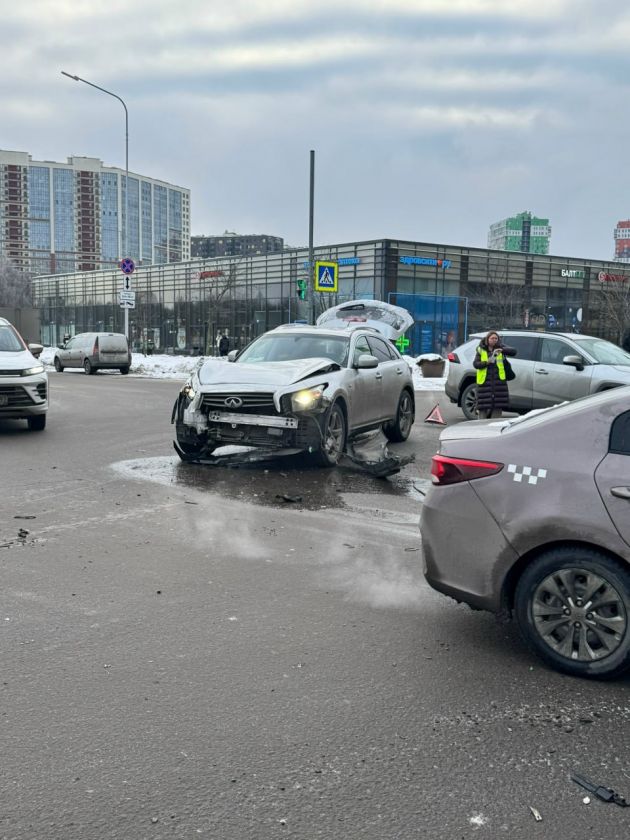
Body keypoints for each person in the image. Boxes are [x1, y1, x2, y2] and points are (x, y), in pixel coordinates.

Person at [473, 330, 516, 419]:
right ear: (487, 339)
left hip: (499, 384)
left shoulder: (500, 347)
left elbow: (514, 351)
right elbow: (476, 364)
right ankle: (481, 427)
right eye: (492, 338)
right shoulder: (481, 349)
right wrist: (487, 362)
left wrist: (503, 350)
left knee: (497, 408)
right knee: (483, 408)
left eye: (496, 338)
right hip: (484, 383)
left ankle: (494, 427)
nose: (494, 340)